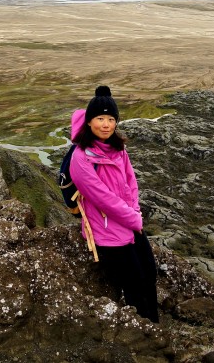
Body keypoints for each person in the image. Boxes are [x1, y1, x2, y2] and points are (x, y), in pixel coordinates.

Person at [69, 85, 159, 323]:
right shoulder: (81, 157)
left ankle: (156, 327)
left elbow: (131, 183)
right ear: (89, 121)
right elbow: (102, 198)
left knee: (149, 274)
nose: (106, 124)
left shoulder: (118, 149)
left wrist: (135, 212)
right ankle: (144, 333)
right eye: (100, 118)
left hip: (129, 223)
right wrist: (134, 218)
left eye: (111, 119)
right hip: (107, 232)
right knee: (135, 284)